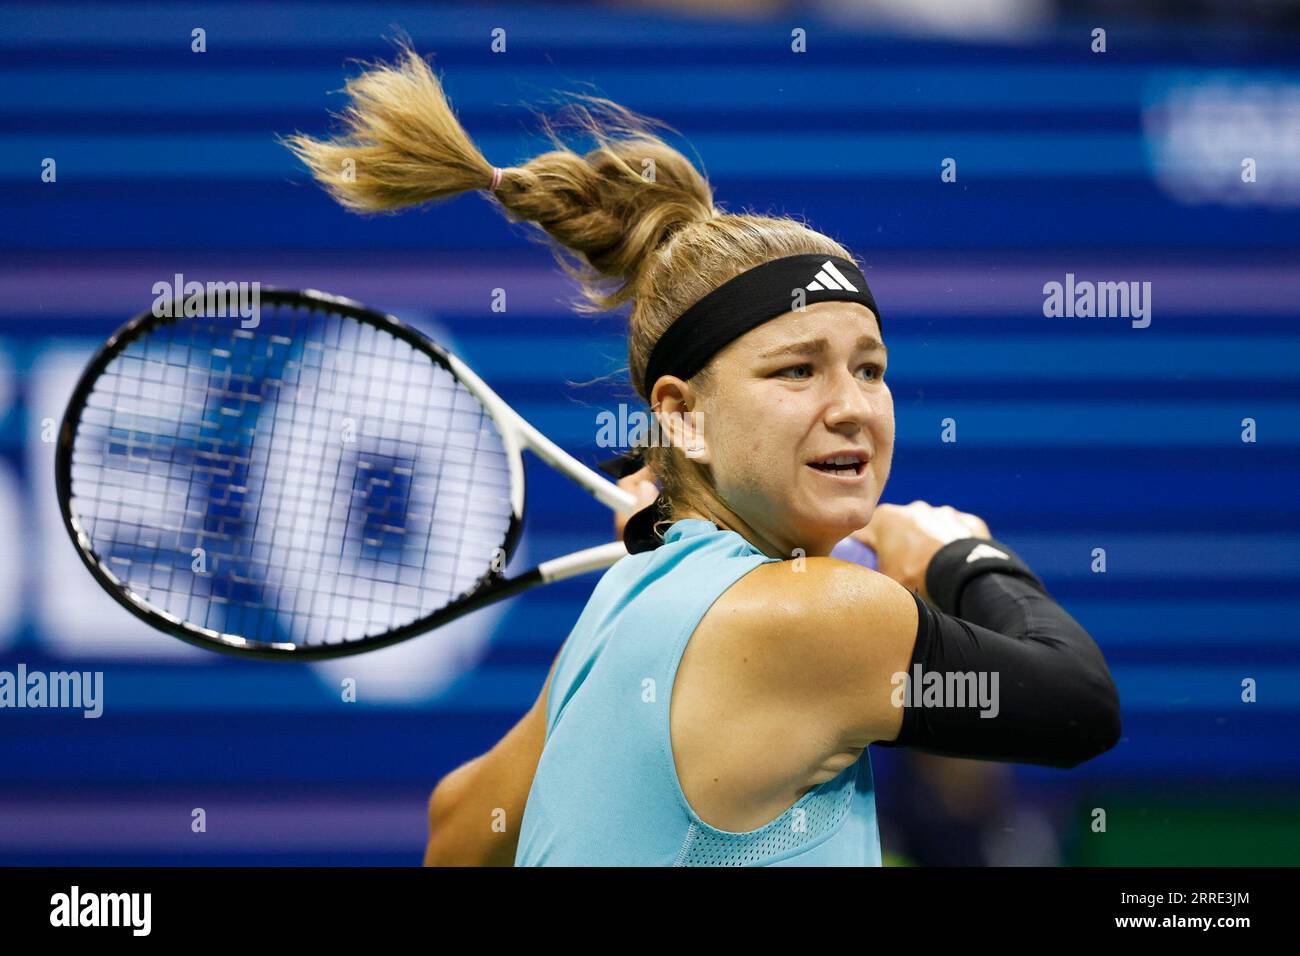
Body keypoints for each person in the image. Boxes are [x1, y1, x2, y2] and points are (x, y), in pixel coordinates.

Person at [283, 45, 1121, 867]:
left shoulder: (626, 614)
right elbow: (1080, 708)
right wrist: (961, 558)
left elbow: (457, 827)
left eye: (870, 369)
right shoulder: (818, 615)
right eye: (797, 370)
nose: (853, 408)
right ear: (682, 418)